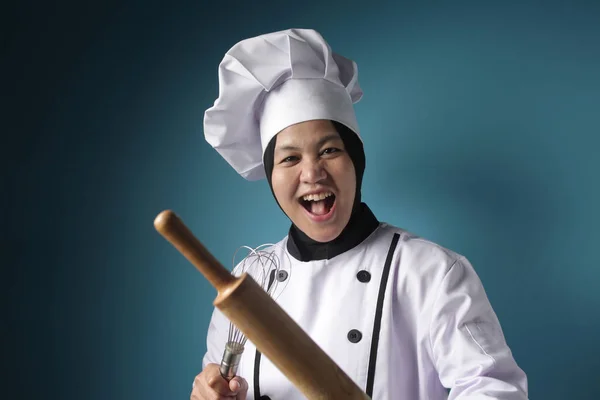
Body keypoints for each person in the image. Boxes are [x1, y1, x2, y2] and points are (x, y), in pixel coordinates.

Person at [191, 28, 528, 400]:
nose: (311, 173)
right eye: (289, 158)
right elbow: (218, 383)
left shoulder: (429, 272)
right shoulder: (246, 282)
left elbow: (494, 390)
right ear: (271, 177)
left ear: (356, 160)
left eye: (329, 150)